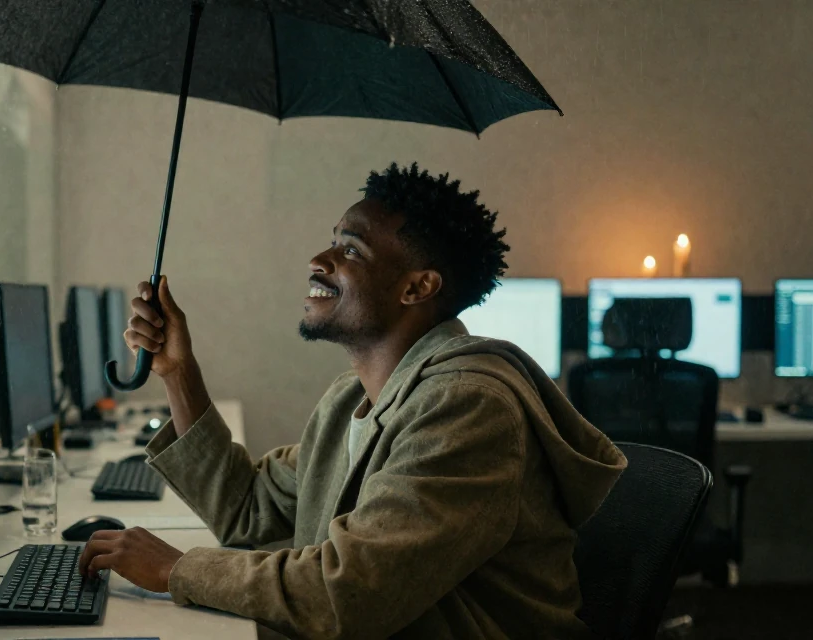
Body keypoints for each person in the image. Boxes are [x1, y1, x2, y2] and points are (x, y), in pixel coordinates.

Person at [79, 163, 627, 639]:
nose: (319, 259)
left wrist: (177, 570)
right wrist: (178, 372)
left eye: (349, 249)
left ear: (417, 287)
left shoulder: (468, 408)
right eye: (332, 240)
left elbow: (351, 593)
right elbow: (249, 512)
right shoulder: (352, 399)